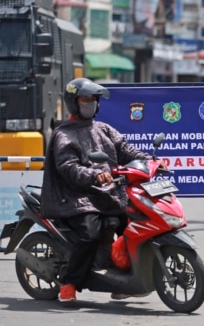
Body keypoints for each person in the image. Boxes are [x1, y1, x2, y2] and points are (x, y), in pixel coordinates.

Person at [40, 78, 152, 302]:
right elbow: (68, 168)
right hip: (77, 198)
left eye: (93, 100)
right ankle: (70, 283)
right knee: (90, 234)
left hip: (107, 194)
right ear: (74, 102)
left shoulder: (103, 129)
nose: (90, 104)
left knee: (134, 224)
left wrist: (149, 160)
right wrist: (94, 175)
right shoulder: (63, 135)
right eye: (85, 100)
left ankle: (123, 280)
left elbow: (125, 148)